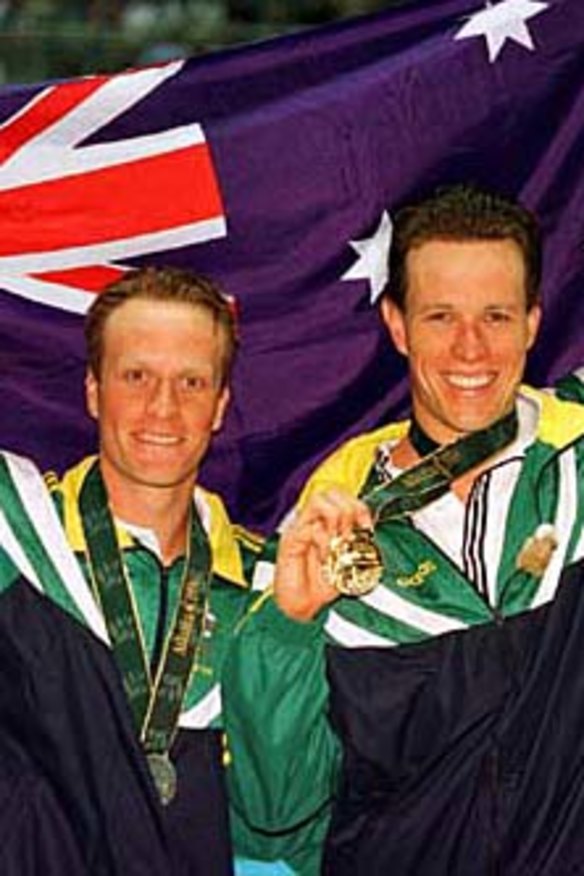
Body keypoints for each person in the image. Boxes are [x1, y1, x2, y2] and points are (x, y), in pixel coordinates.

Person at [223, 185, 584, 875]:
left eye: (497, 316)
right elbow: (277, 823)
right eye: (440, 316)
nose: (470, 348)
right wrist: (287, 630)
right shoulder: (323, 535)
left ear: (534, 323)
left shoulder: (575, 468)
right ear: (397, 325)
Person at [0, 266, 255, 874]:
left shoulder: (264, 586)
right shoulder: (17, 530)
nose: (162, 408)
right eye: (135, 376)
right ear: (93, 389)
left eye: (191, 382)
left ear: (220, 405)